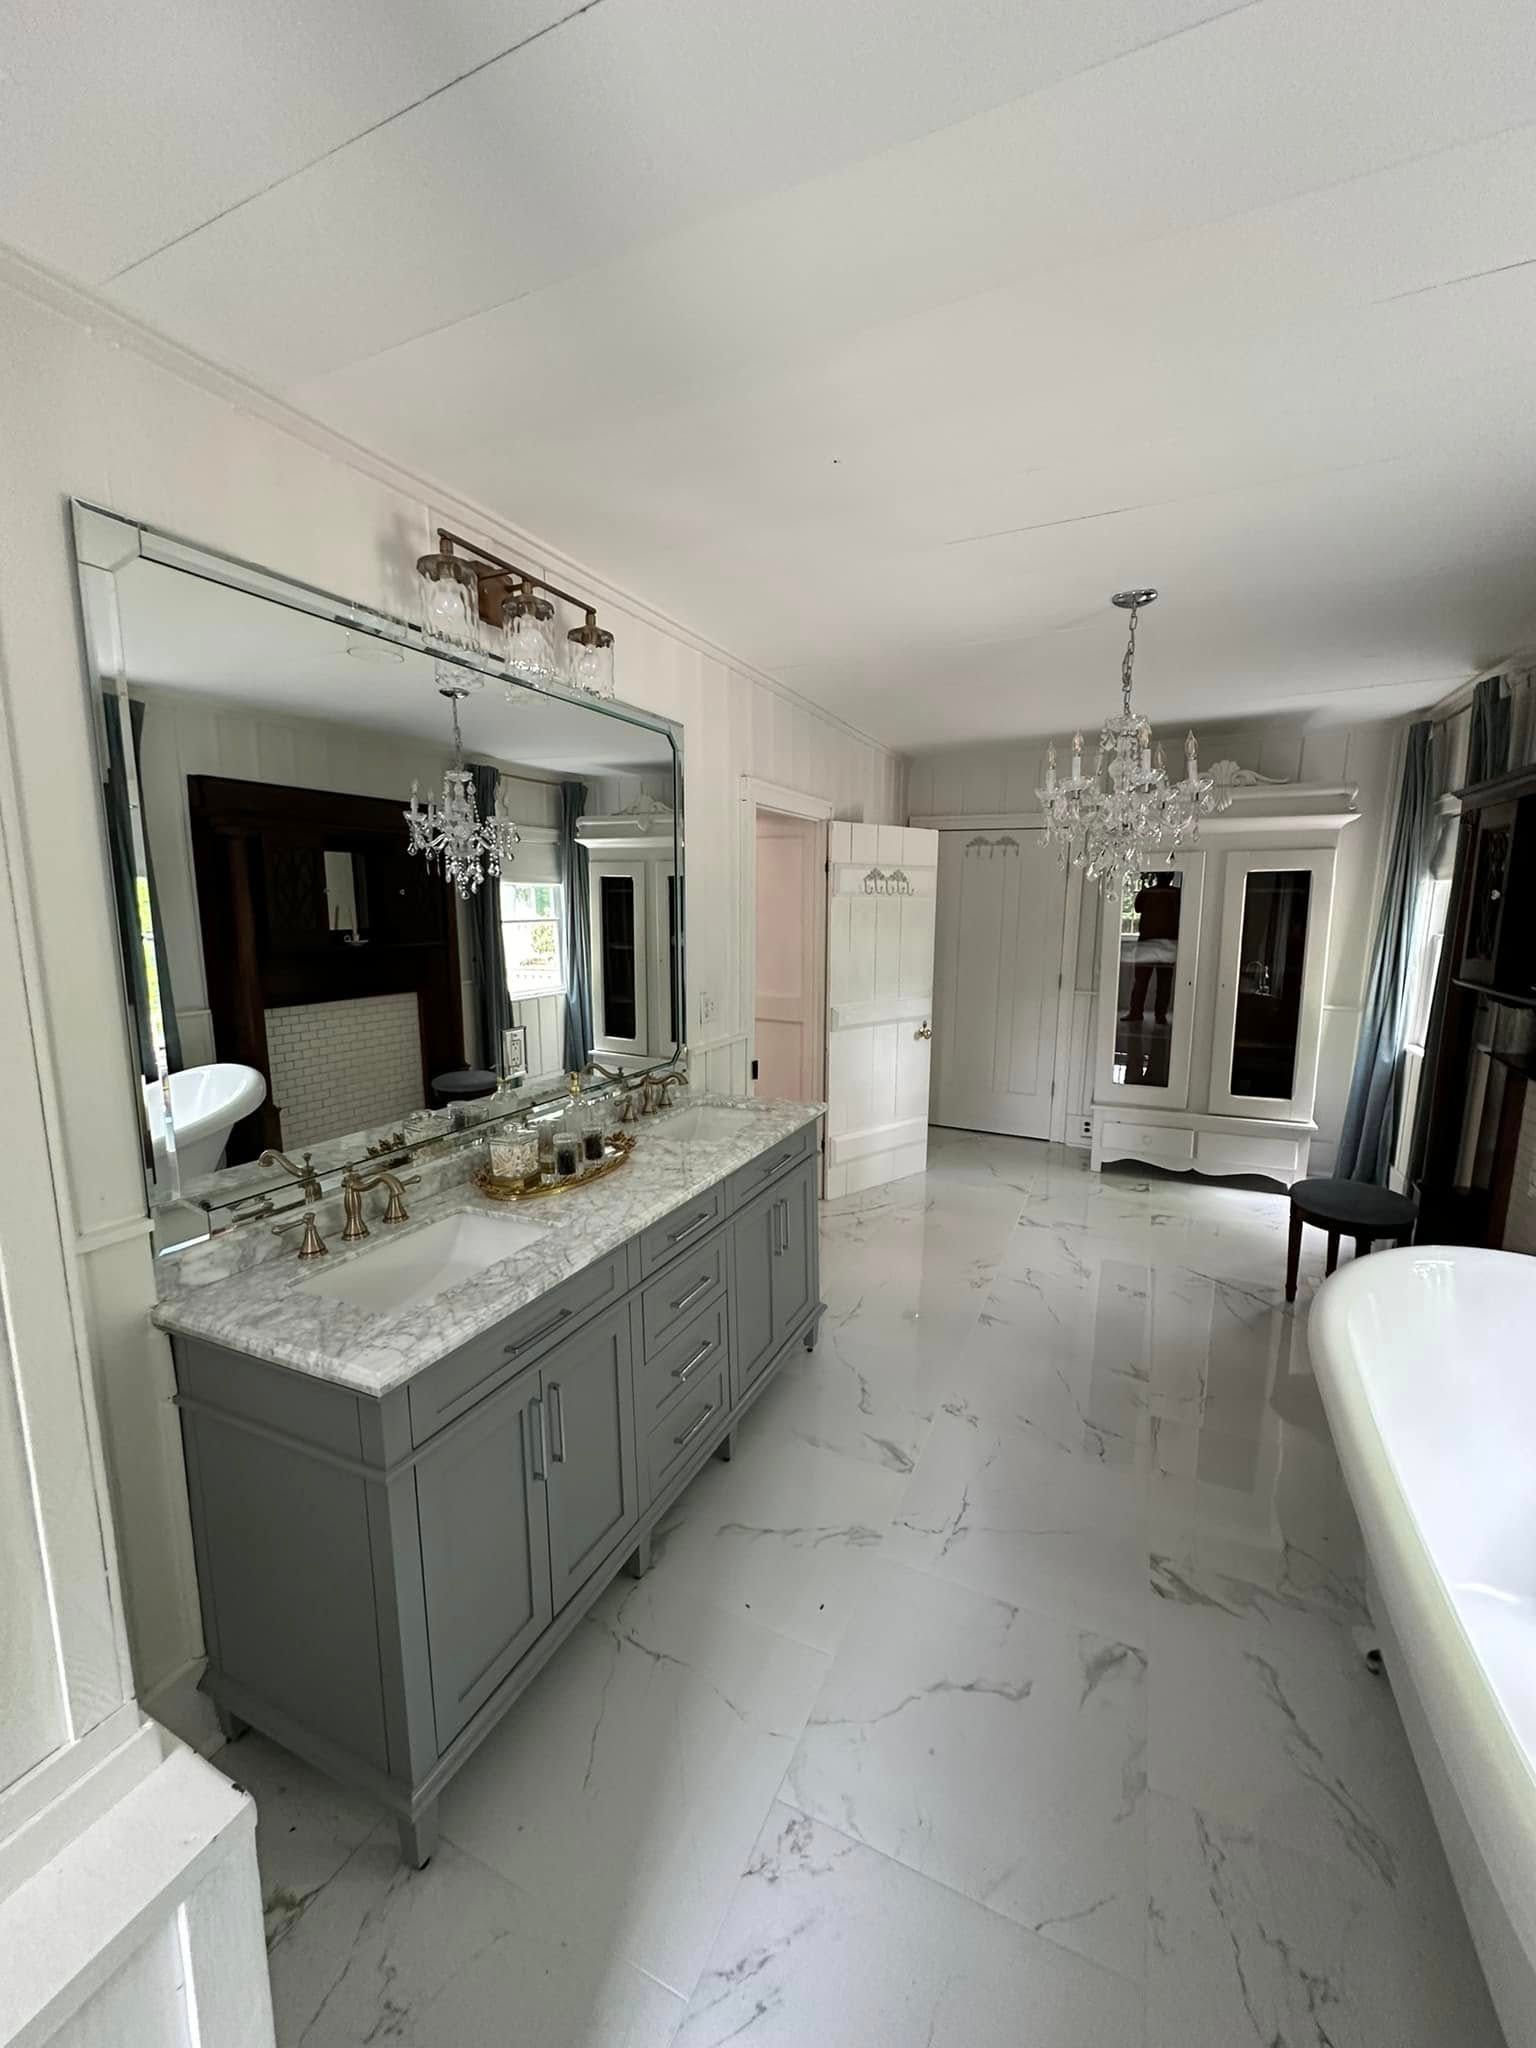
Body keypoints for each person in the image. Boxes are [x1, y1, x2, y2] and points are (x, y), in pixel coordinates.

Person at [1124, 872, 1180, 1024]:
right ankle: (1159, 1015)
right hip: (1167, 942)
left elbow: (1137, 908)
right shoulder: (1177, 893)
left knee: (1141, 980)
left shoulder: (1147, 892)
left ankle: (1136, 1012)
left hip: (1148, 941)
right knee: (1164, 982)